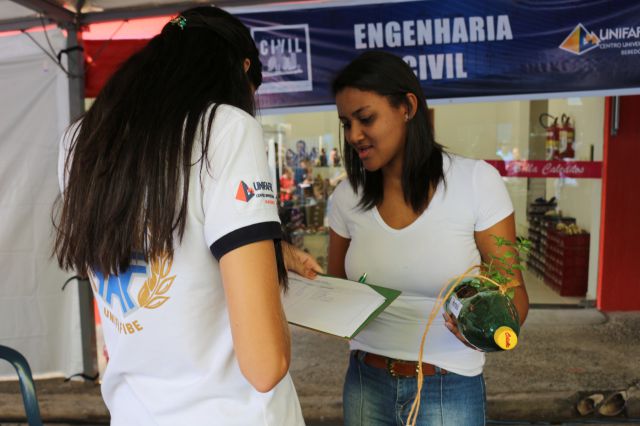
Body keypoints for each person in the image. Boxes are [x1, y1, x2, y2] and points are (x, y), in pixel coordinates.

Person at [53, 7, 321, 425]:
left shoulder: (81, 141)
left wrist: (271, 250)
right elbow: (265, 365)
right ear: (243, 69)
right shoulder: (227, 128)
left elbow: (163, 245)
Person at [327, 51, 529, 425]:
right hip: (366, 382)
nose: (353, 135)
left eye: (365, 118)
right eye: (346, 123)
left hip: (448, 385)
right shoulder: (346, 197)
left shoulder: (475, 182)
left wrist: (487, 328)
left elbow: (514, 293)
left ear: (407, 107)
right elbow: (335, 289)